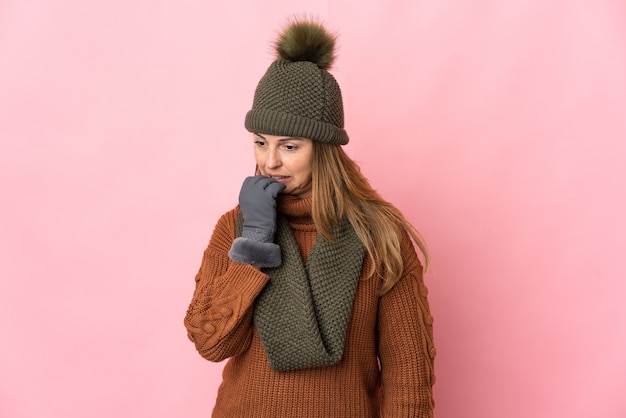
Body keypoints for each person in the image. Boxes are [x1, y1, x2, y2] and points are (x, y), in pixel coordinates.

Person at [184, 19, 436, 418]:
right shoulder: (234, 227)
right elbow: (211, 342)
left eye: (290, 145)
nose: (270, 161)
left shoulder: (379, 236)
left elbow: (409, 375)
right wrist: (254, 240)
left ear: (324, 147)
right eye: (260, 142)